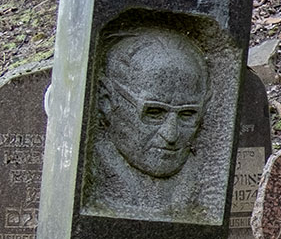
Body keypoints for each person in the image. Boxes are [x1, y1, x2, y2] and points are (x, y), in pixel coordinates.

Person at [85, 26, 213, 221]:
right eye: (154, 112)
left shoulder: (206, 184)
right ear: (106, 101)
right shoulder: (93, 177)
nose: (170, 135)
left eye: (187, 114)